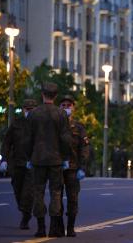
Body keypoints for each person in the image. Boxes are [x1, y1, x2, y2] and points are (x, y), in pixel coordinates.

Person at [28, 82, 72, 238]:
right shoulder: (61, 114)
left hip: (38, 159)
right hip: (55, 160)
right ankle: (54, 228)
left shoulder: (34, 113)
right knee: (56, 193)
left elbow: (29, 139)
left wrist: (29, 157)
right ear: (55, 96)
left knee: (38, 192)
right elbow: (66, 139)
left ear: (42, 94)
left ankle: (40, 228)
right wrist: (66, 157)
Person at [0, 99, 37, 229]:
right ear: (23, 110)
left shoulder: (40, 125)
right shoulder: (16, 124)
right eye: (27, 109)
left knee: (28, 192)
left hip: (32, 165)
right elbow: (6, 143)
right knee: (18, 191)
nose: (29, 111)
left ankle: (25, 217)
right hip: (16, 163)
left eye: (31, 109)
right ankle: (24, 211)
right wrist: (4, 159)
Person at [58, 95, 90, 237]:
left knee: (73, 199)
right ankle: (58, 227)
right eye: (63, 105)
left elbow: (84, 148)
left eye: (68, 105)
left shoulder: (79, 127)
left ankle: (70, 227)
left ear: (73, 108)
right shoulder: (54, 125)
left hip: (73, 168)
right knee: (56, 199)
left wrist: (82, 167)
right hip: (57, 167)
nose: (66, 108)